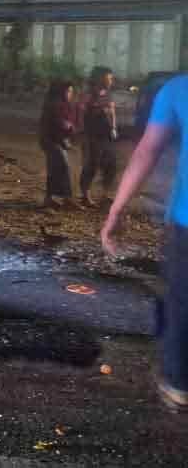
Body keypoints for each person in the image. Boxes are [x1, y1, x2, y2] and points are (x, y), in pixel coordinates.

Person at [101, 74, 187, 411]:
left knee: (181, 303)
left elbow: (147, 151)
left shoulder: (178, 89)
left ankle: (179, 384)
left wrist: (116, 211)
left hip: (187, 223)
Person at [80, 66, 118, 207]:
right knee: (91, 165)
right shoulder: (88, 94)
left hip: (106, 135)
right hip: (92, 135)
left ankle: (105, 194)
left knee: (111, 164)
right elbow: (81, 113)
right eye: (109, 78)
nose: (111, 80)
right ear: (100, 78)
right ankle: (85, 195)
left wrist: (113, 127)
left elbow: (112, 111)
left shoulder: (108, 93)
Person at [39, 81, 78, 208]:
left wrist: (69, 129)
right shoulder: (54, 105)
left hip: (56, 140)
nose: (71, 94)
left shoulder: (64, 105)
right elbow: (57, 125)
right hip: (51, 140)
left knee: (54, 169)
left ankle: (50, 198)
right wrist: (67, 128)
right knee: (63, 167)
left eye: (71, 91)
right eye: (68, 91)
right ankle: (67, 197)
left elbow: (68, 124)